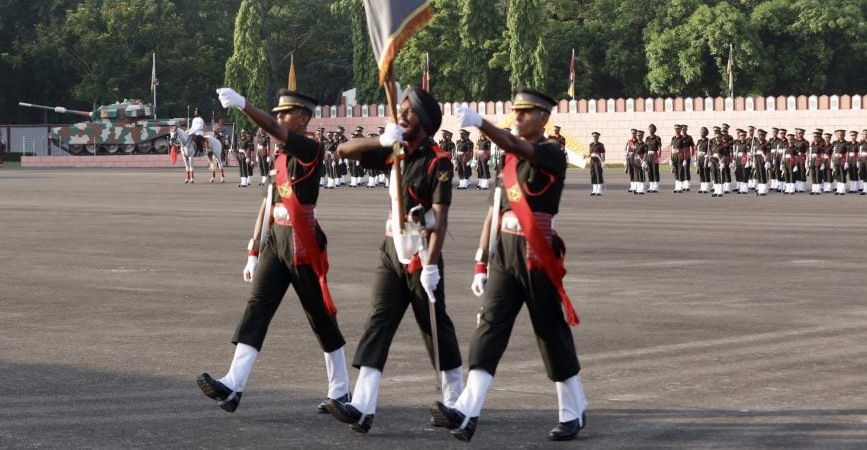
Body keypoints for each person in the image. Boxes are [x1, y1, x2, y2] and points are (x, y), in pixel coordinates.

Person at [432, 88, 587, 442]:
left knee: (550, 332)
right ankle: (467, 412)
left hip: (537, 254)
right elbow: (495, 209)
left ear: (544, 118)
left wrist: (481, 124)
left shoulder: (550, 154)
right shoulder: (510, 161)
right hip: (506, 252)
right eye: (514, 111)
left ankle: (573, 411)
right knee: (490, 328)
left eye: (525, 112)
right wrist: (481, 261)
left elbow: (519, 147)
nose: (516, 117)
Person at [197, 88, 349, 415]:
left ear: (305, 118)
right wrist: (254, 249)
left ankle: (341, 391)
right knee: (257, 307)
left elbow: (273, 129)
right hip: (276, 242)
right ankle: (234, 384)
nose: (279, 118)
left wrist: (244, 106)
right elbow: (268, 204)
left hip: (302, 243)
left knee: (319, 316)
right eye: (277, 112)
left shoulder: (310, 148)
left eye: (286, 112)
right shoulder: (281, 155)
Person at [327, 87, 463, 434]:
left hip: (420, 251)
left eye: (410, 112)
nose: (402, 116)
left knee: (434, 328)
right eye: (401, 109)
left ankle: (456, 402)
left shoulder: (438, 160)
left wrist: (431, 263)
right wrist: (382, 140)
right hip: (391, 250)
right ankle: (362, 405)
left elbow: (440, 218)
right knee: (378, 322)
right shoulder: (395, 150)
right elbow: (343, 150)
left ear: (426, 121)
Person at [644, 124, 662, 193]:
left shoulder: (657, 138)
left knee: (655, 171)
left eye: (651, 129)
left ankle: (656, 186)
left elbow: (659, 148)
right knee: (649, 171)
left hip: (654, 155)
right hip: (648, 155)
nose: (650, 130)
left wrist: (659, 157)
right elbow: (645, 149)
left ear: (654, 130)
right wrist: (645, 159)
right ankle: (651, 186)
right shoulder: (647, 138)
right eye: (649, 129)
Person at [588, 131, 605, 196]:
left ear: (598, 137)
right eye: (594, 137)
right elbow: (590, 153)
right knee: (593, 174)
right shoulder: (591, 144)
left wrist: (603, 162)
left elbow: (603, 153)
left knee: (598, 174)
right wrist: (586, 156)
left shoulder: (601, 145)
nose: (595, 138)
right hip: (592, 161)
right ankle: (594, 190)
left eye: (596, 137)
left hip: (598, 161)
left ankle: (599, 190)